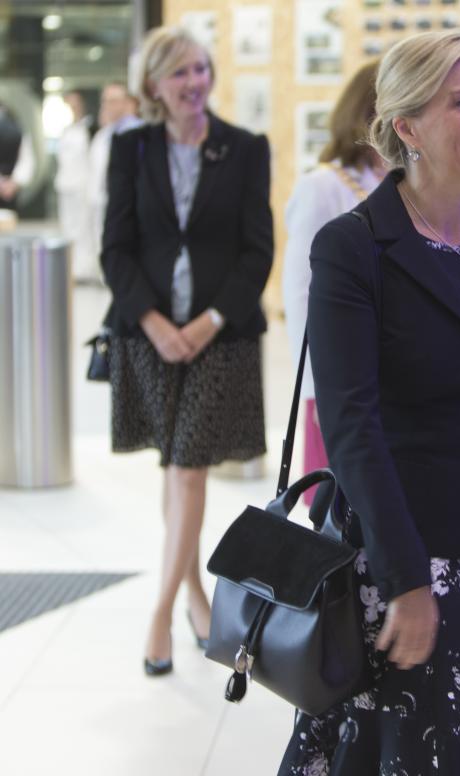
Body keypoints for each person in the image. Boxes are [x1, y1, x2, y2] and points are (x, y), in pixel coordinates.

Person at [278, 30, 460, 775]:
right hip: (399, 563)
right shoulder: (354, 246)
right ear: (407, 128)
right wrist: (406, 580)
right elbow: (351, 426)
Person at [101, 26, 273, 677]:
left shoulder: (246, 147)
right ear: (154, 85)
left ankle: (160, 611)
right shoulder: (131, 149)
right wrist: (152, 320)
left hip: (218, 338)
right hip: (146, 334)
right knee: (175, 468)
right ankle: (197, 595)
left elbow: (258, 247)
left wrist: (206, 322)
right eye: (180, 73)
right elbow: (114, 245)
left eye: (201, 69)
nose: (194, 83)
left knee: (189, 470)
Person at [282, 59, 386, 504]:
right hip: (338, 381)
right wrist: (316, 390)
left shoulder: (413, 182)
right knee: (338, 512)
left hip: (396, 377)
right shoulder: (323, 186)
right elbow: (302, 293)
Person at [88, 82, 143, 276]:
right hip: (103, 205)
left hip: (128, 211)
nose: (107, 106)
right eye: (105, 101)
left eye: (113, 101)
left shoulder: (140, 134)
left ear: (129, 103)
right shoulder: (104, 135)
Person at [56, 91, 98, 281]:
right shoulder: (66, 130)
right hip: (66, 186)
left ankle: (84, 268)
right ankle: (71, 267)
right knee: (69, 227)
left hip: (83, 186)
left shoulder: (89, 129)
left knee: (83, 229)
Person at [0, 102, 35, 211]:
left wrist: (12, 183)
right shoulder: (18, 128)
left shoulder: (17, 130)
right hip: (10, 187)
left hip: (10, 189)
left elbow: (26, 160)